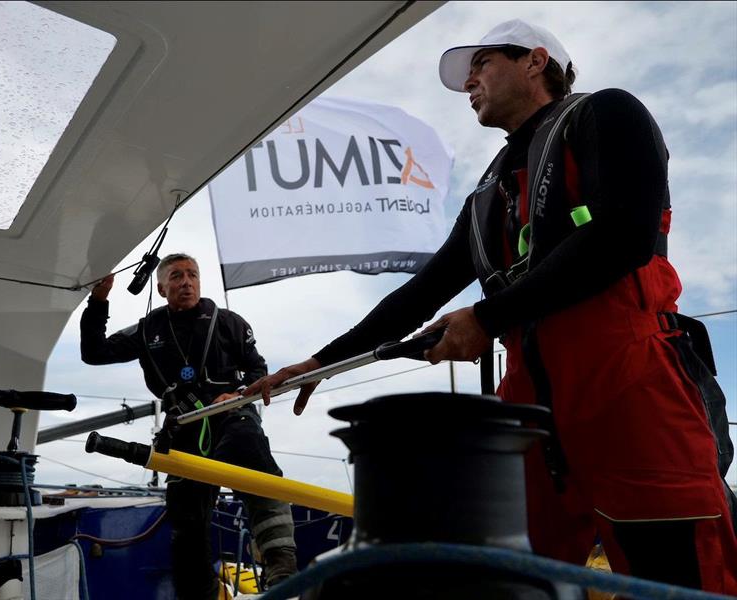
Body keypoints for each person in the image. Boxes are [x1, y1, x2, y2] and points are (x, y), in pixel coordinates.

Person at [245, 19, 737, 593]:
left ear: (534, 60)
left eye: (481, 65)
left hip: (631, 381)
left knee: (678, 577)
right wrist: (321, 361)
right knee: (507, 578)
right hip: (528, 406)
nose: (468, 83)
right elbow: (422, 292)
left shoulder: (607, 114)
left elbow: (624, 233)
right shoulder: (486, 193)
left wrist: (486, 318)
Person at [80, 253, 297, 599]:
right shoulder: (148, 329)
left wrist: (237, 394)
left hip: (232, 415)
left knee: (255, 463)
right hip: (182, 426)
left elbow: (258, 370)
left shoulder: (230, 322)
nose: (187, 282)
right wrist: (98, 300)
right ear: (162, 287)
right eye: (178, 276)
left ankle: (282, 569)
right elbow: (94, 352)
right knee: (186, 517)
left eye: (192, 275)